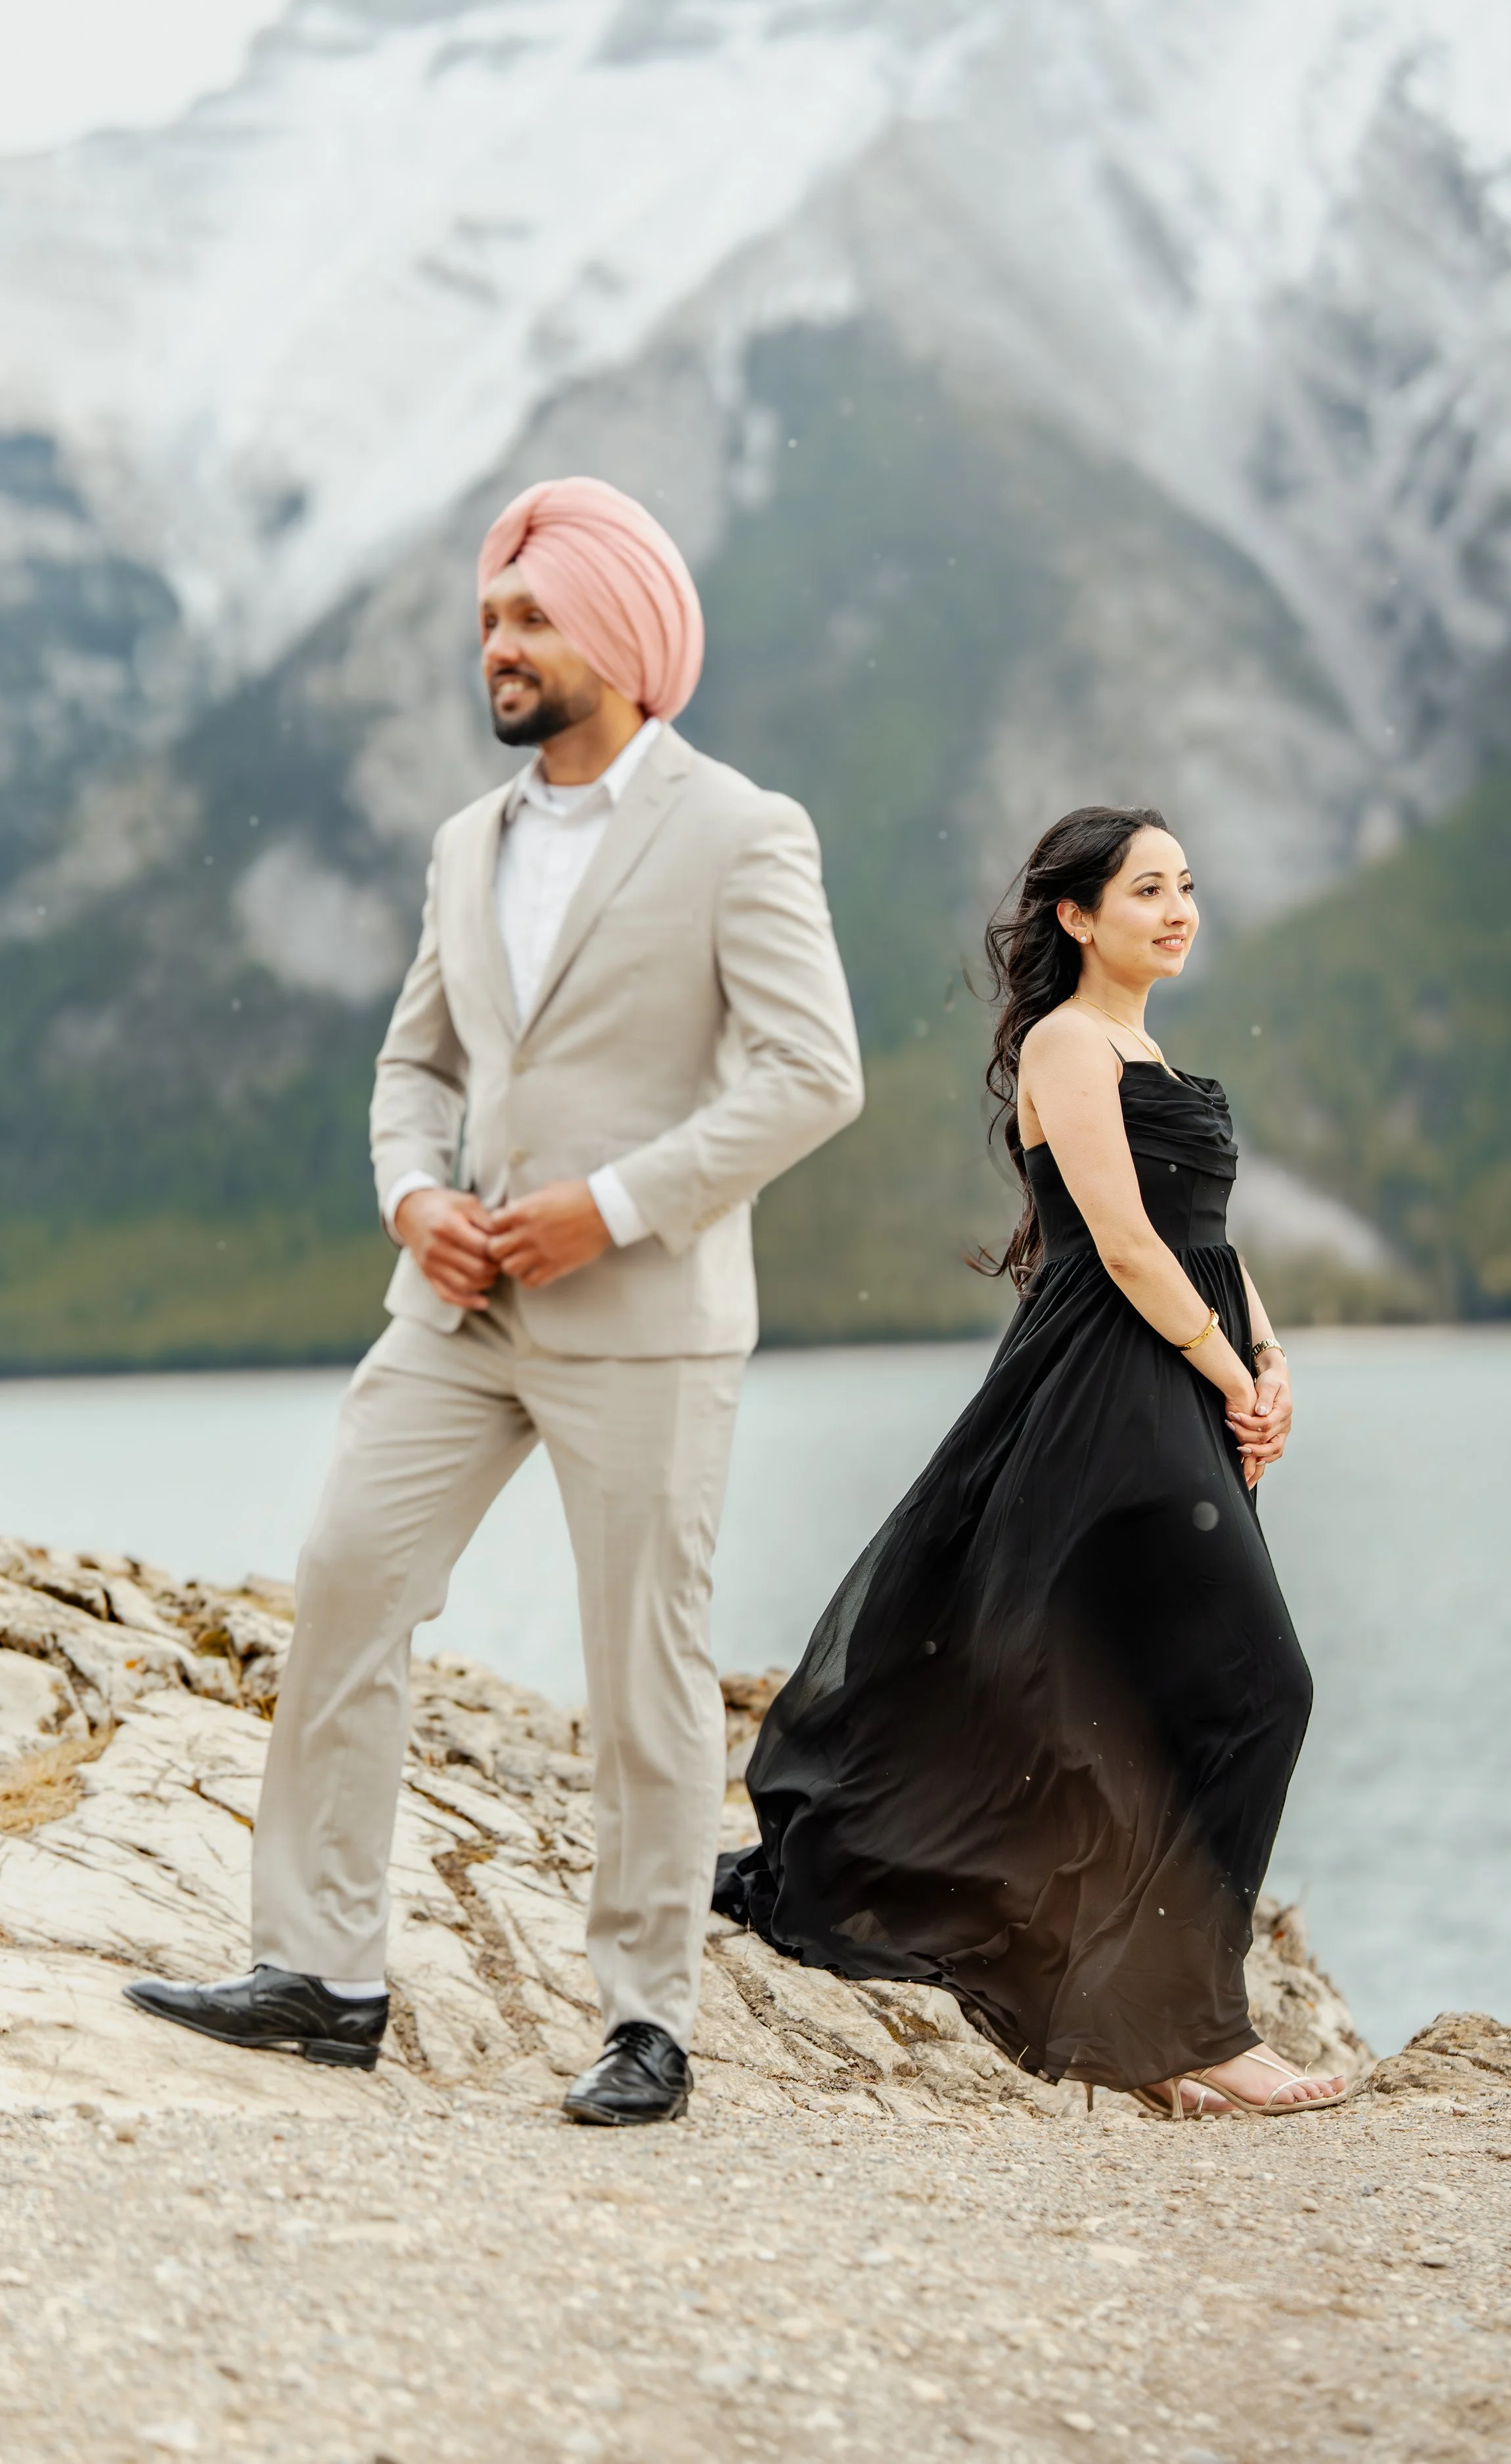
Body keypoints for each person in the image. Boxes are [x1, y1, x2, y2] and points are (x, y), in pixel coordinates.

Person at [126, 476, 863, 2124]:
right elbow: (415, 1065)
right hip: (450, 1308)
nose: (497, 646)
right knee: (343, 1578)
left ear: (618, 631)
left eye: (529, 618)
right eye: (488, 620)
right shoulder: (469, 842)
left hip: (648, 1317)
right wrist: (414, 1194)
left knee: (643, 1665)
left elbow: (814, 1076)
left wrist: (606, 1209)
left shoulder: (743, 829)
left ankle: (643, 2020)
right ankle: (320, 1972)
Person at [716, 806, 1347, 2118]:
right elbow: (1120, 1245)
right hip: (1112, 1398)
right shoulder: (1068, 1044)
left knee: (1162, 1702)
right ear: (1076, 917)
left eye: (1187, 886)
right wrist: (1230, 1377)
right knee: (1260, 1690)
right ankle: (1196, 2028)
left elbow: (1206, 1239)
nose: (1177, 911)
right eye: (1146, 892)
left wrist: (1270, 1360)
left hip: (1179, 1382)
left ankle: (1144, 2021)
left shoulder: (1140, 1042)